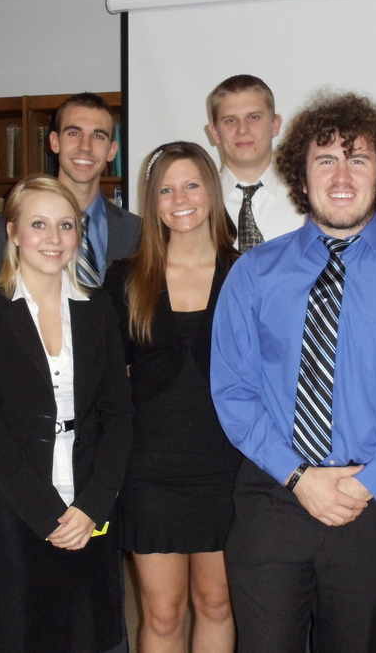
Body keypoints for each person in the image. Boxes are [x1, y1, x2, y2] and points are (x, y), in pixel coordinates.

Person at [210, 91, 376, 651]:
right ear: (302, 174)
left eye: (359, 158)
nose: (342, 174)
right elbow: (233, 392)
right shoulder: (253, 274)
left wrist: (363, 483)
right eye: (325, 159)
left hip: (371, 503)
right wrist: (299, 478)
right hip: (274, 495)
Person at [0, 173, 133, 652]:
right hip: (17, 508)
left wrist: (93, 504)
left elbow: (118, 413)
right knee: (23, 636)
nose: (53, 239)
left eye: (65, 225)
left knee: (91, 635)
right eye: (38, 224)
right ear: (12, 232)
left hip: (89, 505)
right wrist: (48, 513)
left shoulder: (99, 309)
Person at [105, 142, 241, 652]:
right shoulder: (125, 277)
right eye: (165, 189)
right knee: (162, 614)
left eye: (191, 185)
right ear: (152, 200)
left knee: (217, 605)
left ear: (211, 190)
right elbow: (109, 384)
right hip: (148, 471)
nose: (179, 199)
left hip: (225, 468)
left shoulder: (246, 272)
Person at [0, 92, 141, 283]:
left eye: (98, 136)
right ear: (55, 142)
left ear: (112, 151)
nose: (85, 146)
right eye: (74, 133)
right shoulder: (7, 226)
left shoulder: (135, 231)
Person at [207, 74, 304, 251]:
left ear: (275, 125)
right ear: (214, 132)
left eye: (253, 117)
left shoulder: (308, 195)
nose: (242, 130)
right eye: (230, 120)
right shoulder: (199, 204)